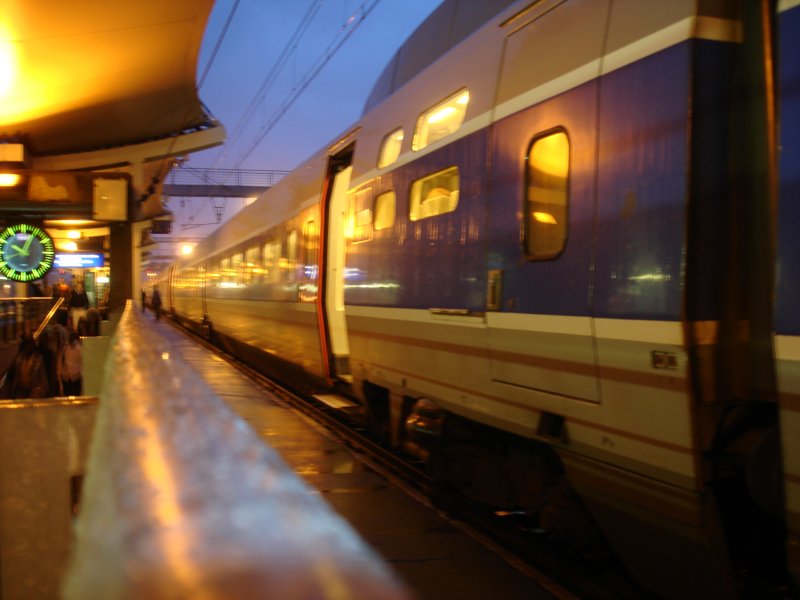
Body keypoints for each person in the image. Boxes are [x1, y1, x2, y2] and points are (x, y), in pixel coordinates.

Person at [61, 332, 82, 396]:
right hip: (68, 376)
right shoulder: (65, 347)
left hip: (75, 376)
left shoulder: (79, 349)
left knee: (74, 395)